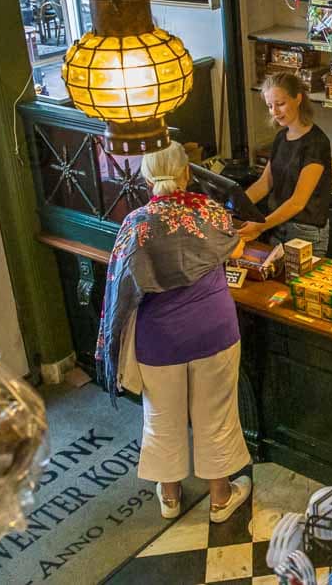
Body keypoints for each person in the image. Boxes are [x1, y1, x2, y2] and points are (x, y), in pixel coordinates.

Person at [98, 141, 252, 523]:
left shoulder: (136, 224)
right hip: (214, 330)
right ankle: (220, 498)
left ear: (146, 177)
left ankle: (169, 497)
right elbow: (236, 249)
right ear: (186, 173)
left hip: (159, 339)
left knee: (162, 418)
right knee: (216, 416)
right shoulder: (210, 211)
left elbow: (122, 286)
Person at [240, 72, 332, 250]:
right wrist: (233, 205)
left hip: (305, 231)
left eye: (280, 104)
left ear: (298, 98)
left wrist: (260, 226)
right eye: (270, 106)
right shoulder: (281, 137)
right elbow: (265, 183)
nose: (274, 112)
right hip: (277, 225)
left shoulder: (316, 143)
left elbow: (298, 202)